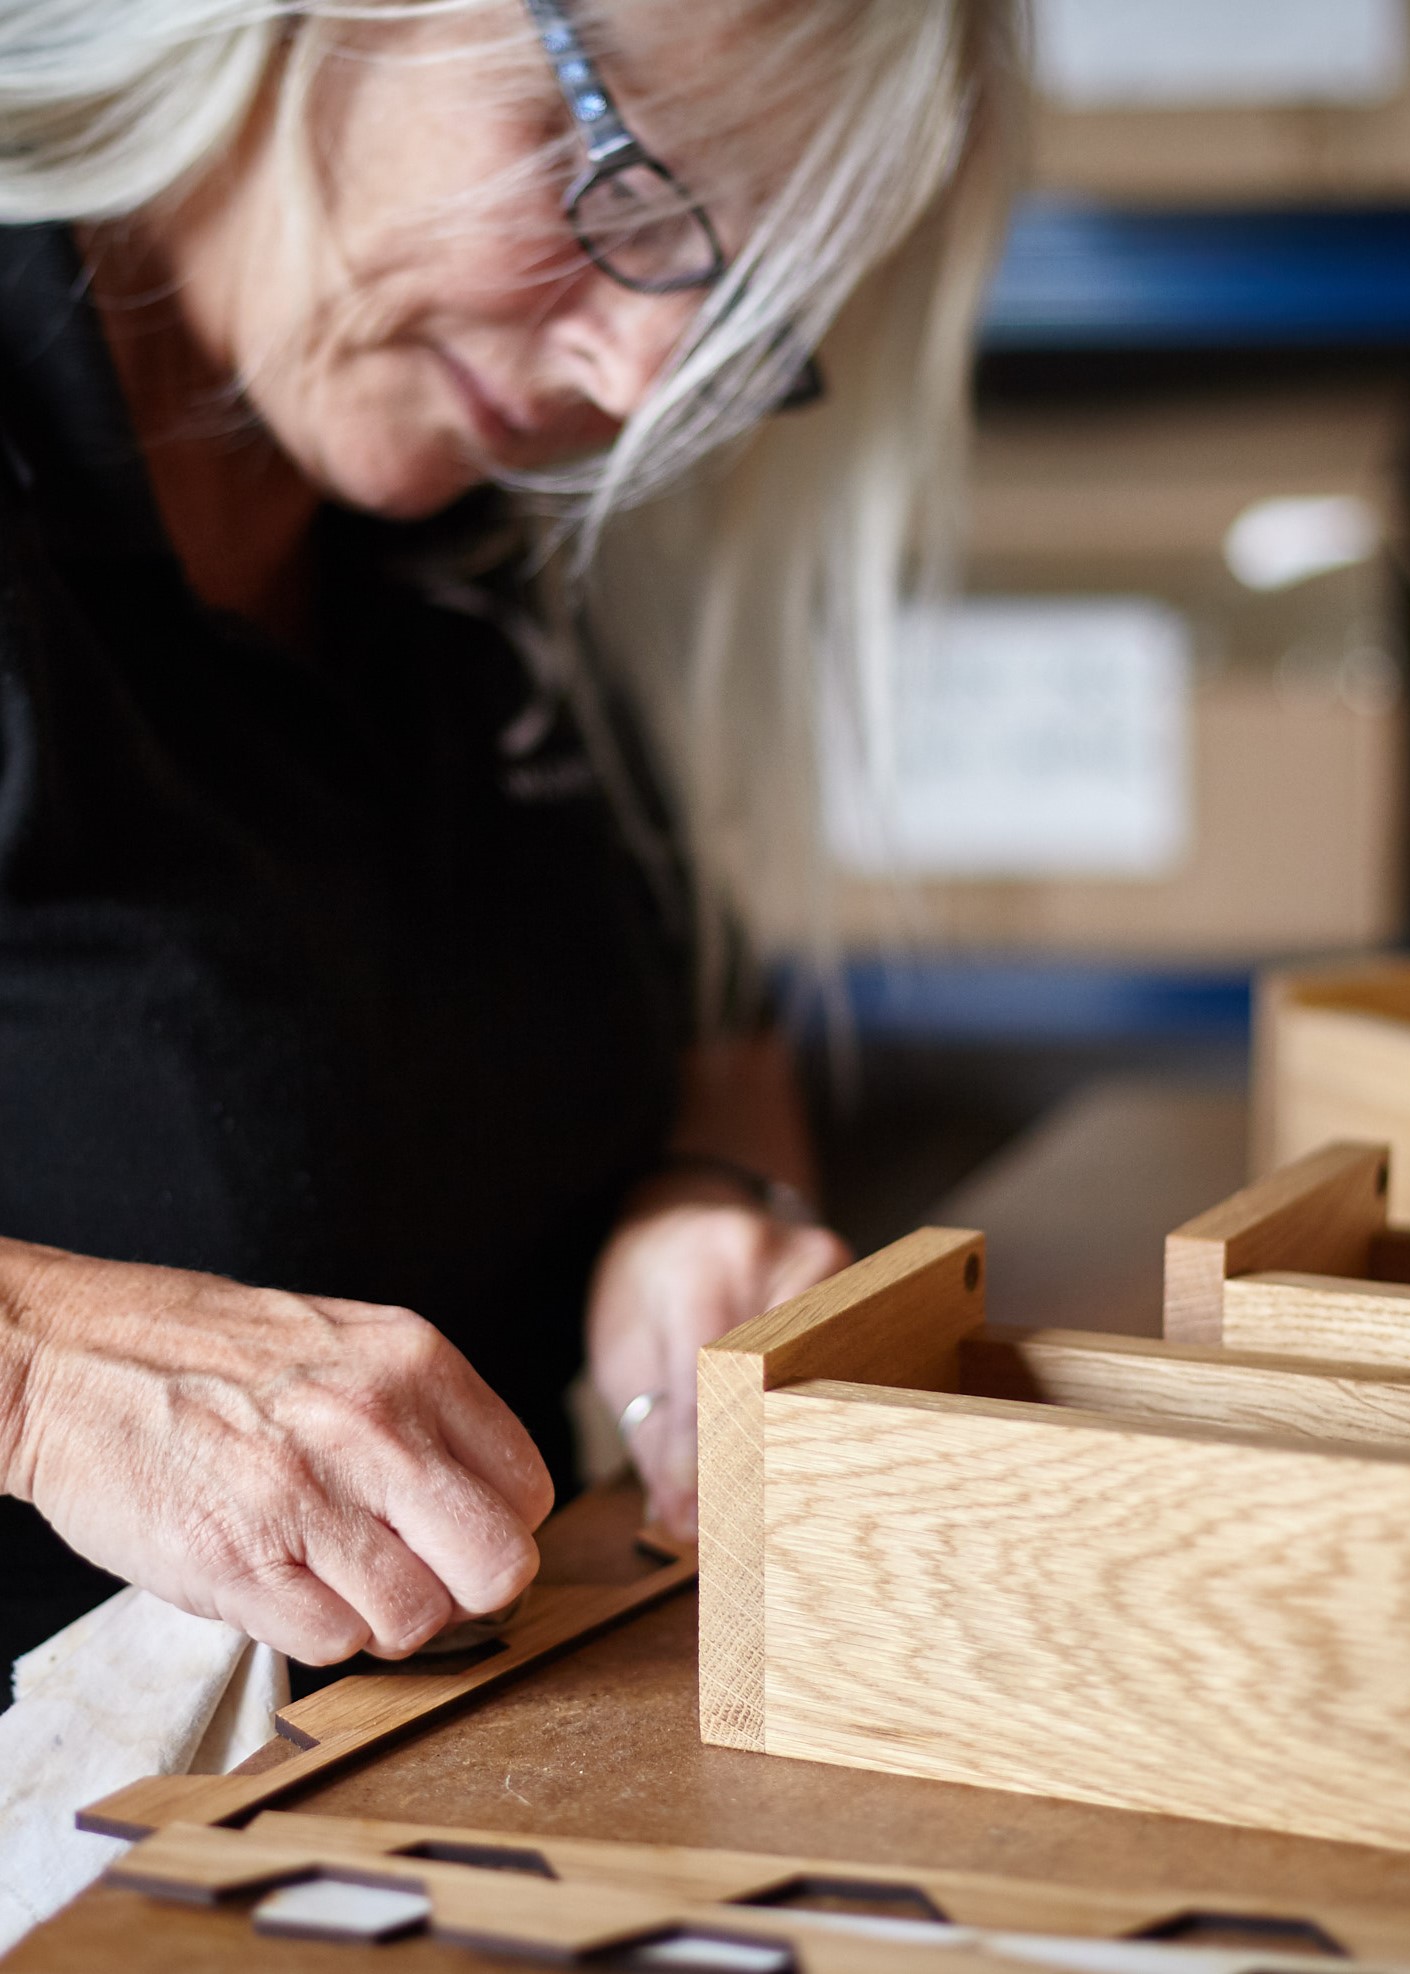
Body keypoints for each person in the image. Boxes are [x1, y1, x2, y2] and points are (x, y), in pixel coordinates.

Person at [0, 0, 1018, 1691]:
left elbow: (699, 1008)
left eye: (741, 312)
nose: (635, 379)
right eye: (620, 187)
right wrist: (45, 1374)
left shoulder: (473, 514)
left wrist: (711, 1191)